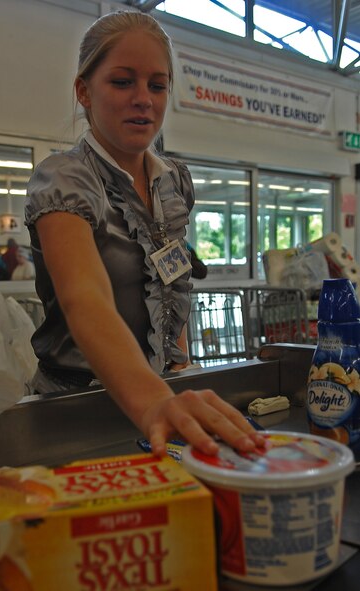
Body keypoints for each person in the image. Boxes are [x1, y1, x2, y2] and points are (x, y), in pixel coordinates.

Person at [25, 10, 264, 457]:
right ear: (83, 91)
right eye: (122, 82)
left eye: (157, 85)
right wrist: (156, 402)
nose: (143, 99)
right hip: (75, 416)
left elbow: (171, 282)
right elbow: (86, 299)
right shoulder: (65, 179)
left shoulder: (174, 181)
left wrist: (182, 367)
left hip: (162, 403)